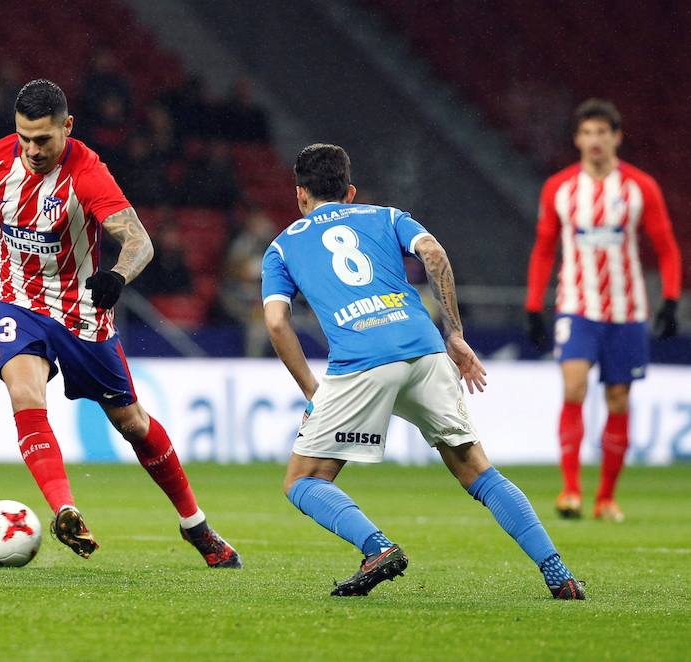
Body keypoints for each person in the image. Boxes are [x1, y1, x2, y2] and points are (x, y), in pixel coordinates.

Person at [0, 79, 240, 568]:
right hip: (17, 300)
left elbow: (139, 242)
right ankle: (65, 510)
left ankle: (194, 524)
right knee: (24, 394)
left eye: (43, 139)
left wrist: (117, 276)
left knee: (132, 423)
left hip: (81, 312)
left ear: (67, 127)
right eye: (24, 138)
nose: (32, 150)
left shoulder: (88, 172)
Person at [261, 143, 584, 599]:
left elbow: (277, 323)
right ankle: (558, 573)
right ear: (350, 192)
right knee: (477, 470)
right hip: (425, 349)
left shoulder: (282, 246)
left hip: (362, 361)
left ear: (300, 195)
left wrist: (314, 392)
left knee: (304, 480)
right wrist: (455, 333)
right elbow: (432, 252)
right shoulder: (388, 217)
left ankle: (377, 547)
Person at [525, 99, 682, 522]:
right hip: (577, 306)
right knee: (574, 387)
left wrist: (670, 299)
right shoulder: (559, 188)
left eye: (602, 133)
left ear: (616, 137)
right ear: (577, 139)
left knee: (617, 399)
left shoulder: (639, 187)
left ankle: (606, 498)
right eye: (587, 133)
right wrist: (533, 306)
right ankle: (571, 491)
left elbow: (667, 247)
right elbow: (544, 249)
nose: (594, 140)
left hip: (627, 312)